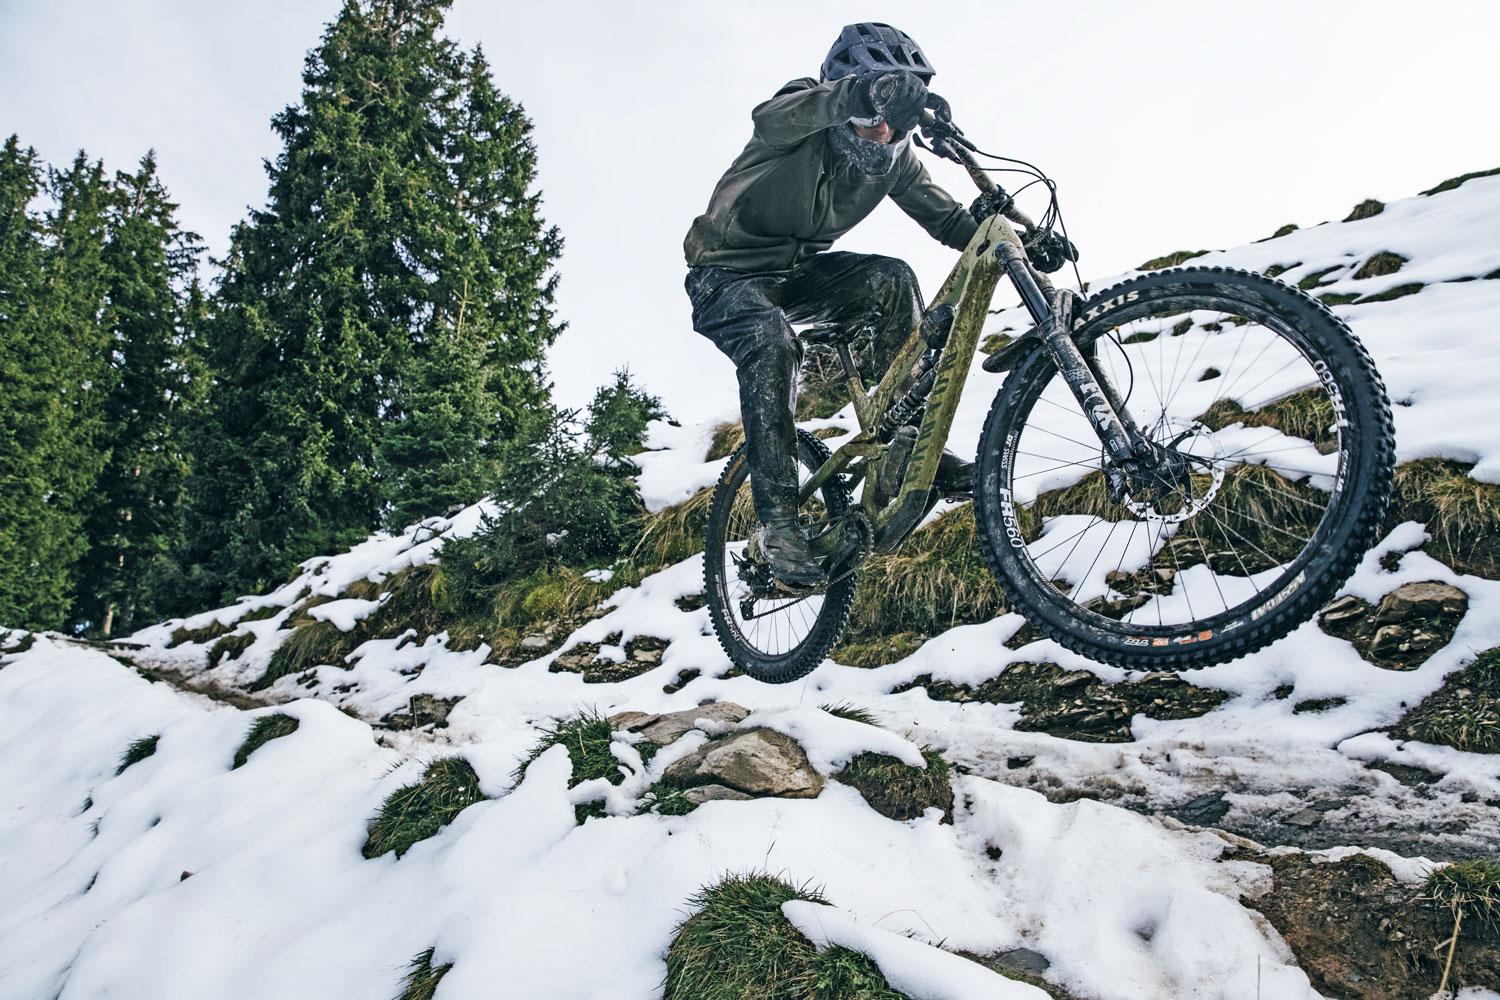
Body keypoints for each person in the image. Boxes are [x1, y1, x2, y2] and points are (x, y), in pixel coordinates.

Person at [683, 22, 979, 589]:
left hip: (798, 277)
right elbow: (773, 116)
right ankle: (778, 525)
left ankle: (907, 452)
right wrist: (864, 93)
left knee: (891, 279)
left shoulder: (893, 159)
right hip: (724, 275)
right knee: (771, 343)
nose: (880, 132)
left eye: (893, 122)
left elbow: (948, 219)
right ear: (844, 100)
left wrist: (1018, 235)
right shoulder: (795, 119)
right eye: (870, 117)